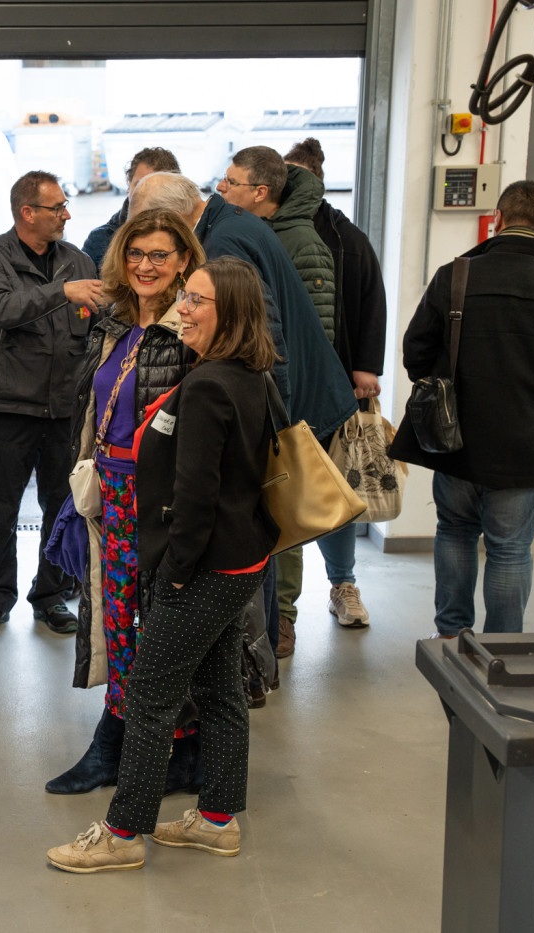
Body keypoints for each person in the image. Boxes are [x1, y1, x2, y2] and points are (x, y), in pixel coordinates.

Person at [46, 257, 279, 873]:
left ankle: (123, 834)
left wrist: (173, 572)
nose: (184, 309)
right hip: (242, 560)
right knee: (220, 690)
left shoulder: (206, 387)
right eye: (186, 297)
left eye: (197, 300)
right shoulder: (248, 375)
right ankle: (218, 819)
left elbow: (196, 496)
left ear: (230, 313)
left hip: (203, 569)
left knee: (149, 695)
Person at [131, 170, 355, 679]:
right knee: (224, 675)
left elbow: (264, 331)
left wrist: (266, 429)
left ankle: (263, 655)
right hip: (280, 405)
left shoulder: (222, 243)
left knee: (261, 536)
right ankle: (259, 660)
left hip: (276, 419)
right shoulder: (233, 224)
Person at [391, 180, 534, 639]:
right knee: (510, 550)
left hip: (455, 438)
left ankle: (451, 635)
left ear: (498, 220)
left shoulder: (455, 275)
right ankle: (503, 648)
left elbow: (415, 350)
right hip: (527, 444)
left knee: (455, 531)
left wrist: (442, 391)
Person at [47, 209, 203, 795]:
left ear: (184, 261)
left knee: (163, 624)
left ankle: (174, 750)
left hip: (163, 499)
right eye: (136, 254)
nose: (145, 266)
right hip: (109, 490)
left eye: (160, 255)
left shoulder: (193, 328)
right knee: (116, 617)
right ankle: (116, 742)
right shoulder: (112, 323)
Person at [218, 145, 350, 649]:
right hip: (285, 392)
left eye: (231, 182)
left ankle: (284, 619)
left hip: (295, 398)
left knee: (286, 506)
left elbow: (308, 327)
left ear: (260, 191)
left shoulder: (297, 239)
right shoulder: (264, 231)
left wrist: (283, 411)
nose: (221, 190)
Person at [0, 170, 102, 638]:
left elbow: (96, 330)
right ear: (27, 212)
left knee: (62, 509)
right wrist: (62, 292)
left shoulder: (78, 261)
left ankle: (51, 596)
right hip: (7, 408)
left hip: (65, 410)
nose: (66, 215)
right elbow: (2, 309)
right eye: (57, 207)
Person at [281, 137, 389, 648]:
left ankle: (343, 584)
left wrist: (366, 367)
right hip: (286, 387)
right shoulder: (268, 232)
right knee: (286, 491)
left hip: (339, 386)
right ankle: (282, 611)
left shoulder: (347, 237)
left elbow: (372, 300)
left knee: (341, 488)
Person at [83, 147, 181, 268]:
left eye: (159, 187)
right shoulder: (100, 240)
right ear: (129, 184)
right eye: (140, 184)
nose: (146, 193)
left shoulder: (190, 235)